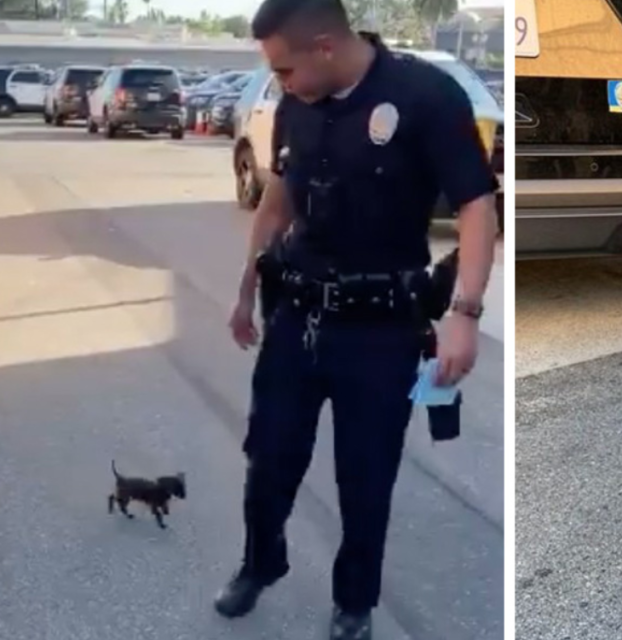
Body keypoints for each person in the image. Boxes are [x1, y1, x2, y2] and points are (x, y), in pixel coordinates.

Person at [212, 0, 499, 638]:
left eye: (284, 69)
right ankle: (262, 564)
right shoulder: (297, 105)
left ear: (322, 45)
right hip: (298, 318)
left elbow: (479, 207)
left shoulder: (424, 95)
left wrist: (465, 313)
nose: (278, 84)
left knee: (365, 480)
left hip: (381, 329)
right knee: (268, 461)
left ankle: (354, 602)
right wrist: (243, 286)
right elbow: (278, 199)